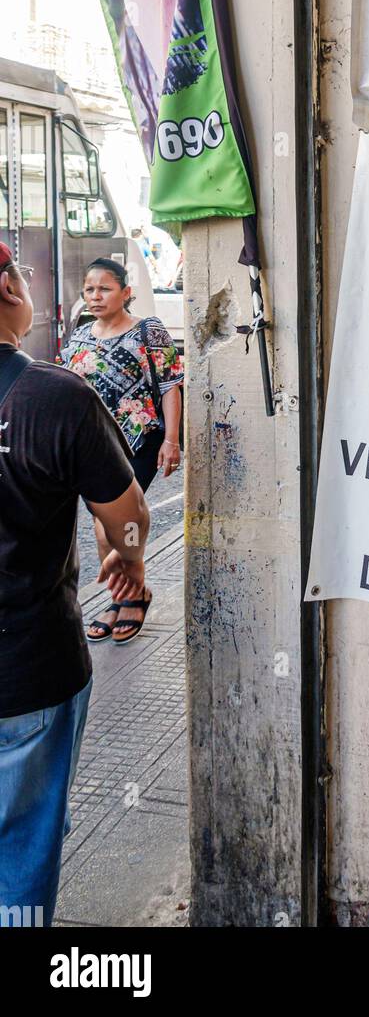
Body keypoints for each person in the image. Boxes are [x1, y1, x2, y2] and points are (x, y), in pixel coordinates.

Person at [0, 243, 150, 926]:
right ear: (9, 291)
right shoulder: (53, 396)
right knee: (23, 850)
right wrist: (129, 563)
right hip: (28, 671)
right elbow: (125, 515)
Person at [62, 258, 183, 645]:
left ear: (126, 293)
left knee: (113, 523)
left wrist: (172, 440)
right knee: (102, 532)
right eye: (89, 290)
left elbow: (169, 386)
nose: (95, 296)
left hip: (139, 441)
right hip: (92, 446)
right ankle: (124, 595)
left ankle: (135, 593)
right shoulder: (80, 335)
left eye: (105, 288)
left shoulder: (149, 330)